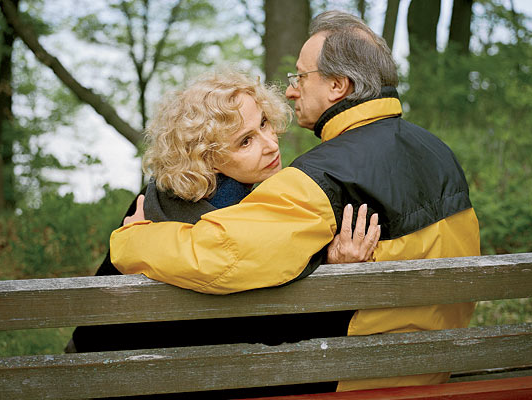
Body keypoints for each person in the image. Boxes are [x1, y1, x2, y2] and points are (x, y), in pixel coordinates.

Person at [111, 10, 480, 392]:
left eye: (301, 77)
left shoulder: (324, 176)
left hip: (363, 378)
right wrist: (333, 267)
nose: (290, 90)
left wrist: (130, 238)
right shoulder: (437, 151)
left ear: (337, 85)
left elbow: (221, 256)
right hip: (433, 366)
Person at [69, 70, 379, 375]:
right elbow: (270, 329)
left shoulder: (155, 202)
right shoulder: (225, 219)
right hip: (138, 377)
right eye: (245, 141)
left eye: (264, 123)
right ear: (207, 159)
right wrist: (335, 270)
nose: (270, 144)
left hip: (117, 369)